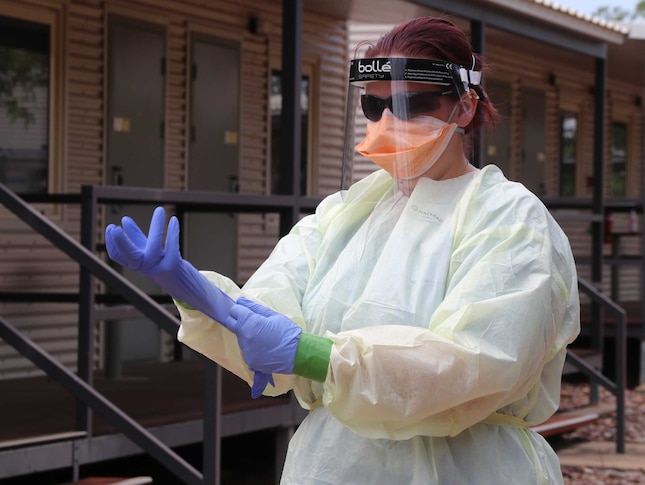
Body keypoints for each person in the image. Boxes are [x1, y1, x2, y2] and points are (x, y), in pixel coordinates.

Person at [106, 16, 579, 484]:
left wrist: (320, 358)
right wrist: (201, 296)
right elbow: (271, 331)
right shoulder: (344, 213)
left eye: (413, 105)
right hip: (331, 466)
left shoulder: (508, 218)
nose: (389, 123)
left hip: (469, 468)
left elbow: (477, 363)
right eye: (375, 109)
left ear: (466, 107)